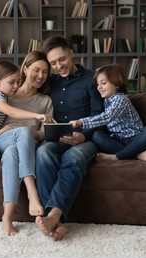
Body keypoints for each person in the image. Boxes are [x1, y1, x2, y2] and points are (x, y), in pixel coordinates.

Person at [0, 51, 54, 236]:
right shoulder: (7, 93)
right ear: (25, 69)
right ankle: (32, 192)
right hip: (0, 141)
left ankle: (7, 216)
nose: (40, 76)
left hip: (25, 144)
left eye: (45, 72)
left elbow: (44, 134)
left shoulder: (45, 101)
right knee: (12, 144)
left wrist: (27, 132)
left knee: (13, 151)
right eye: (36, 70)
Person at [35, 36, 103, 241]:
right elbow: (21, 87)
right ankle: (56, 223)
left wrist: (83, 136)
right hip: (56, 138)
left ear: (71, 53)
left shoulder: (92, 78)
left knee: (73, 157)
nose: (58, 66)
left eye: (62, 59)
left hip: (86, 139)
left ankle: (53, 216)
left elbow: (100, 115)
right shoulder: (49, 81)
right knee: (42, 152)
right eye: (53, 63)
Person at [69, 63, 146, 161]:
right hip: (117, 139)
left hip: (134, 138)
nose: (99, 87)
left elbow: (107, 117)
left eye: (103, 83)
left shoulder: (121, 99)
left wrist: (82, 122)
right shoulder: (106, 101)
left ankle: (117, 156)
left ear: (117, 84)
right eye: (98, 84)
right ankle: (136, 155)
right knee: (96, 135)